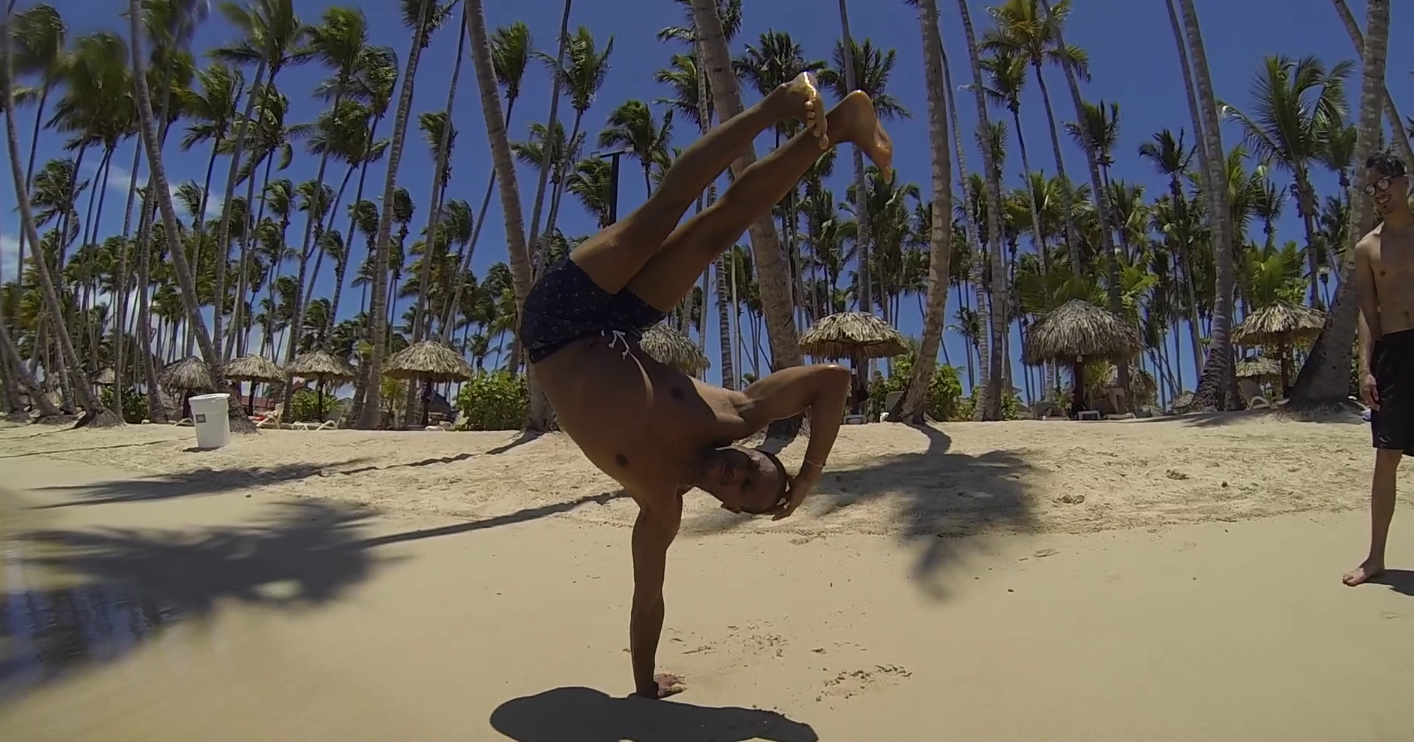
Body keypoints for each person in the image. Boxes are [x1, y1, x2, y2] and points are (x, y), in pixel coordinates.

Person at [518, 74, 893, 696]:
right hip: (611, 326)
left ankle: (827, 122)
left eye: (743, 491)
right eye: (752, 468)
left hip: (555, 329)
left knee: (689, 219)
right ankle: (814, 116)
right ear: (753, 449)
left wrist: (643, 686)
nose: (737, 475)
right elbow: (830, 380)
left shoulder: (659, 503)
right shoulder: (731, 414)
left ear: (728, 508)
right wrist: (808, 475)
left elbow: (647, 598)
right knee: (694, 217)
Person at [1345, 152, 1414, 587]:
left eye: (1383, 183)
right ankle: (1375, 558)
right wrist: (1365, 369)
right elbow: (1368, 312)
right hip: (1393, 353)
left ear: (1403, 181)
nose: (1377, 194)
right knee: (1386, 456)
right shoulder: (1367, 248)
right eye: (1369, 188)